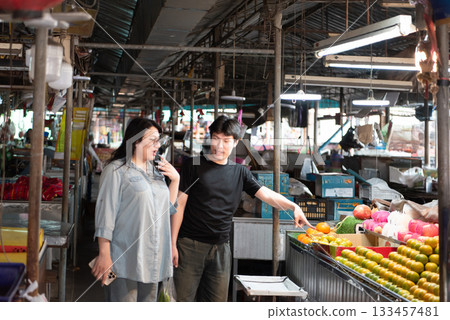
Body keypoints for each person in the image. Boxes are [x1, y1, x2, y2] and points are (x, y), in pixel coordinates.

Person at [171, 115, 313, 302]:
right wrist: (172, 243)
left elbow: (266, 194)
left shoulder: (240, 172)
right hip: (190, 245)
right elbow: (179, 205)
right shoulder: (193, 165)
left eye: (226, 141)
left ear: (235, 142)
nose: (219, 146)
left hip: (221, 248)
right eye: (215, 139)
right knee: (181, 301)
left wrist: (293, 206)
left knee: (216, 304)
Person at [92, 117, 180, 302]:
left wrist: (175, 180)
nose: (158, 145)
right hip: (122, 260)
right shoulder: (116, 170)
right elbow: (105, 215)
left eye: (159, 140)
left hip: (153, 259)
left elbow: (166, 211)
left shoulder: (156, 172)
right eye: (153, 140)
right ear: (135, 141)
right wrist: (104, 255)